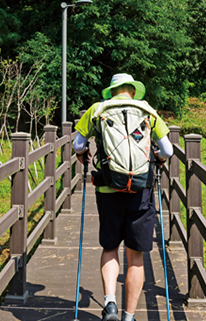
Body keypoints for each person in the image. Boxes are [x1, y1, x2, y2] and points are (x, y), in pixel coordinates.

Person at [73, 73, 173, 321]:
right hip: (141, 190)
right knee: (135, 256)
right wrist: (158, 159)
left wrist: (82, 153)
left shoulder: (97, 109)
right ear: (132, 90)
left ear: (113, 90)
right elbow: (168, 150)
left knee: (110, 247)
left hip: (109, 188)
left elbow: (77, 144)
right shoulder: (148, 110)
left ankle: (110, 305)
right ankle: (129, 317)